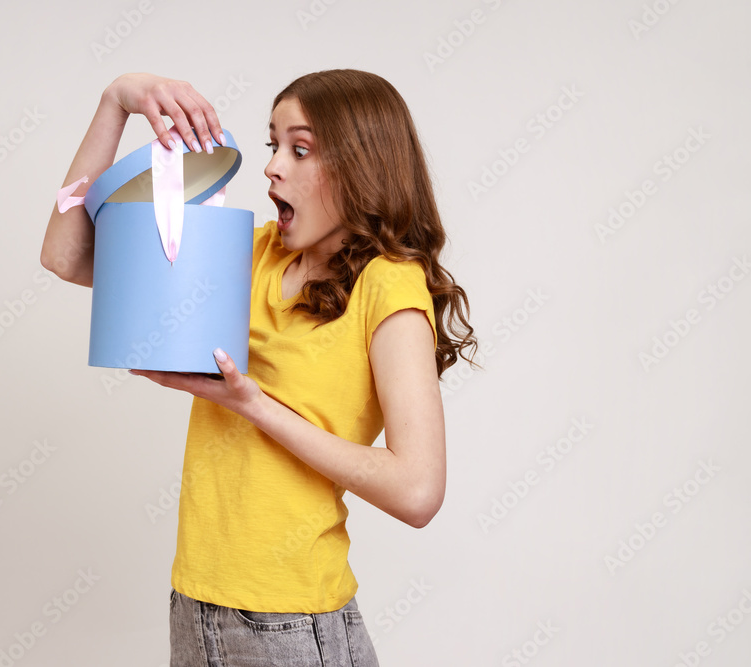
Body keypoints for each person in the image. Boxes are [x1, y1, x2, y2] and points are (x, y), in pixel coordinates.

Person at [41, 70, 478, 666]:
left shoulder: (389, 286)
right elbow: (65, 255)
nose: (272, 167)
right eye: (273, 145)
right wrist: (115, 101)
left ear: (362, 167)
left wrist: (250, 403)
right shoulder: (250, 254)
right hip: (196, 606)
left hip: (293, 626)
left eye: (301, 150)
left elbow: (418, 490)